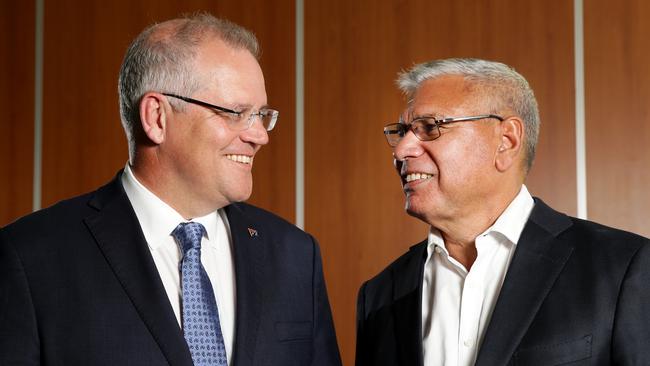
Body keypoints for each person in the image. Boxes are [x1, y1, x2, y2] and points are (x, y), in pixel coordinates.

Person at [0, 13, 341, 366]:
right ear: (157, 118)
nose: (260, 135)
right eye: (237, 113)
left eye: (262, 114)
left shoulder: (295, 256)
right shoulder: (32, 258)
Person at [355, 58, 650, 366]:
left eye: (430, 127)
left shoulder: (622, 269)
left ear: (506, 142)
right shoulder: (379, 296)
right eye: (402, 132)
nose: (402, 150)